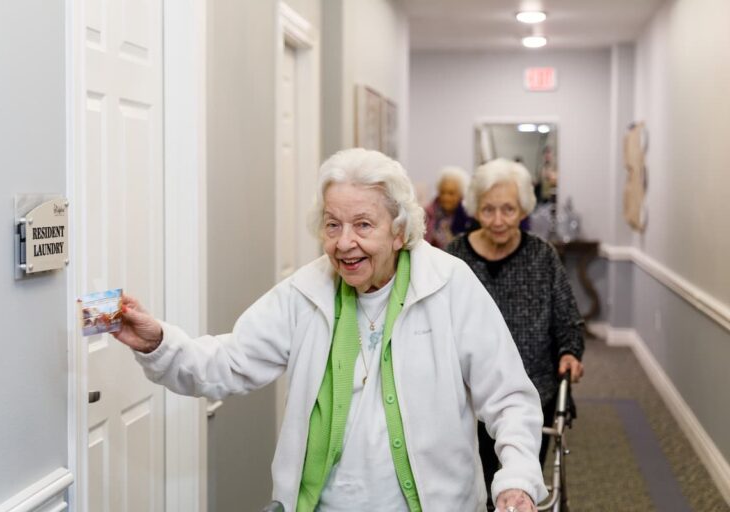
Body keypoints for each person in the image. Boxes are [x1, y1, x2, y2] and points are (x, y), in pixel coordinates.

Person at [113, 149, 547, 512]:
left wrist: (517, 479)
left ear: (399, 232)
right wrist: (158, 343)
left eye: (362, 225)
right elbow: (228, 362)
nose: (344, 243)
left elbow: (508, 397)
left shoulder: (450, 286)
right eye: (332, 225)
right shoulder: (306, 291)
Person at [446, 158, 585, 511]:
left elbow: (568, 320)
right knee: (467, 488)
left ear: (523, 208)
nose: (497, 220)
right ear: (475, 209)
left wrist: (570, 352)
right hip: (466, 399)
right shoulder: (454, 258)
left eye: (508, 209)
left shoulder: (542, 256)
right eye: (488, 209)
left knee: (518, 488)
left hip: (531, 397)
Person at [423, 166, 478, 248]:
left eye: (451, 193)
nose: (446, 197)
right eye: (442, 192)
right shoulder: (427, 214)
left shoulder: (469, 217)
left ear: (461, 195)